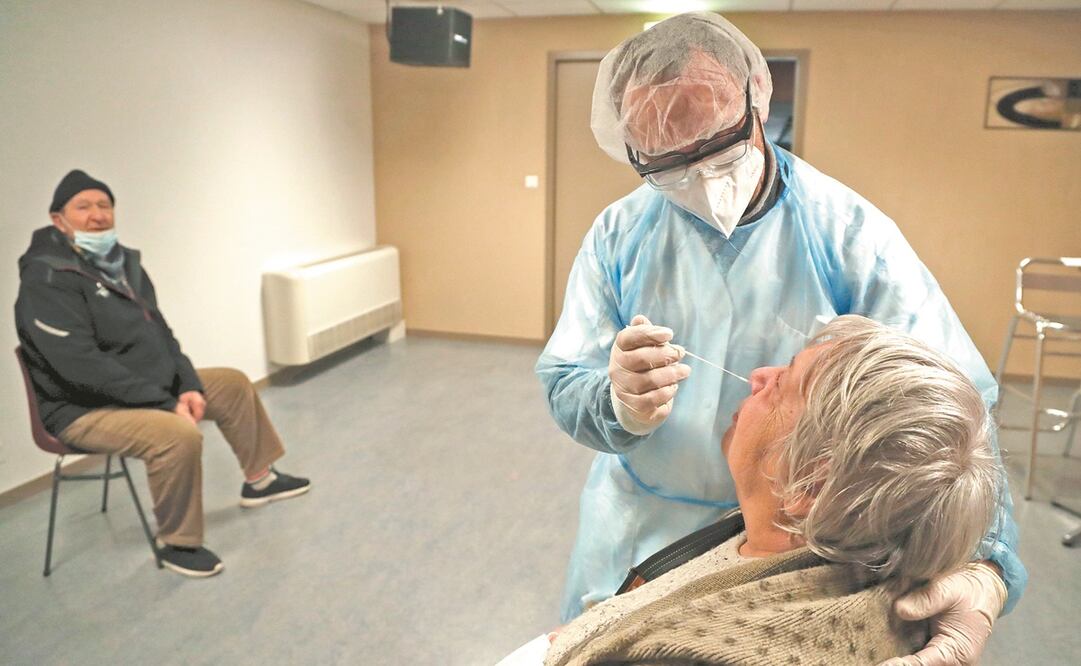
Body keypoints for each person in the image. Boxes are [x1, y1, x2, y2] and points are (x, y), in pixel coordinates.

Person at [535, 12, 1024, 665]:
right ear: (634, 151)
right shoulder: (619, 236)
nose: (701, 177)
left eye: (718, 147)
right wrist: (615, 402)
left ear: (757, 101)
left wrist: (986, 561)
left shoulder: (848, 236)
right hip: (641, 520)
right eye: (668, 163)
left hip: (797, 541)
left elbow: (954, 414)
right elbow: (567, 377)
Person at [542, 316, 1005, 665]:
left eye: (782, 384)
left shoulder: (697, 651)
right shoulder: (792, 536)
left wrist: (993, 568)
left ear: (811, 485)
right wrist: (601, 630)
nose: (759, 375)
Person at [15, 169, 311, 578]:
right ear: (58, 220)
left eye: (104, 205)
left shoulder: (123, 265)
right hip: (81, 409)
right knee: (176, 434)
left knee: (231, 384)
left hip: (143, 388)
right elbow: (79, 365)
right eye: (83, 207)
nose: (97, 215)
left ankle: (260, 480)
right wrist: (164, 402)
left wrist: (186, 384)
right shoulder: (45, 278)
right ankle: (178, 543)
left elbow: (162, 333)